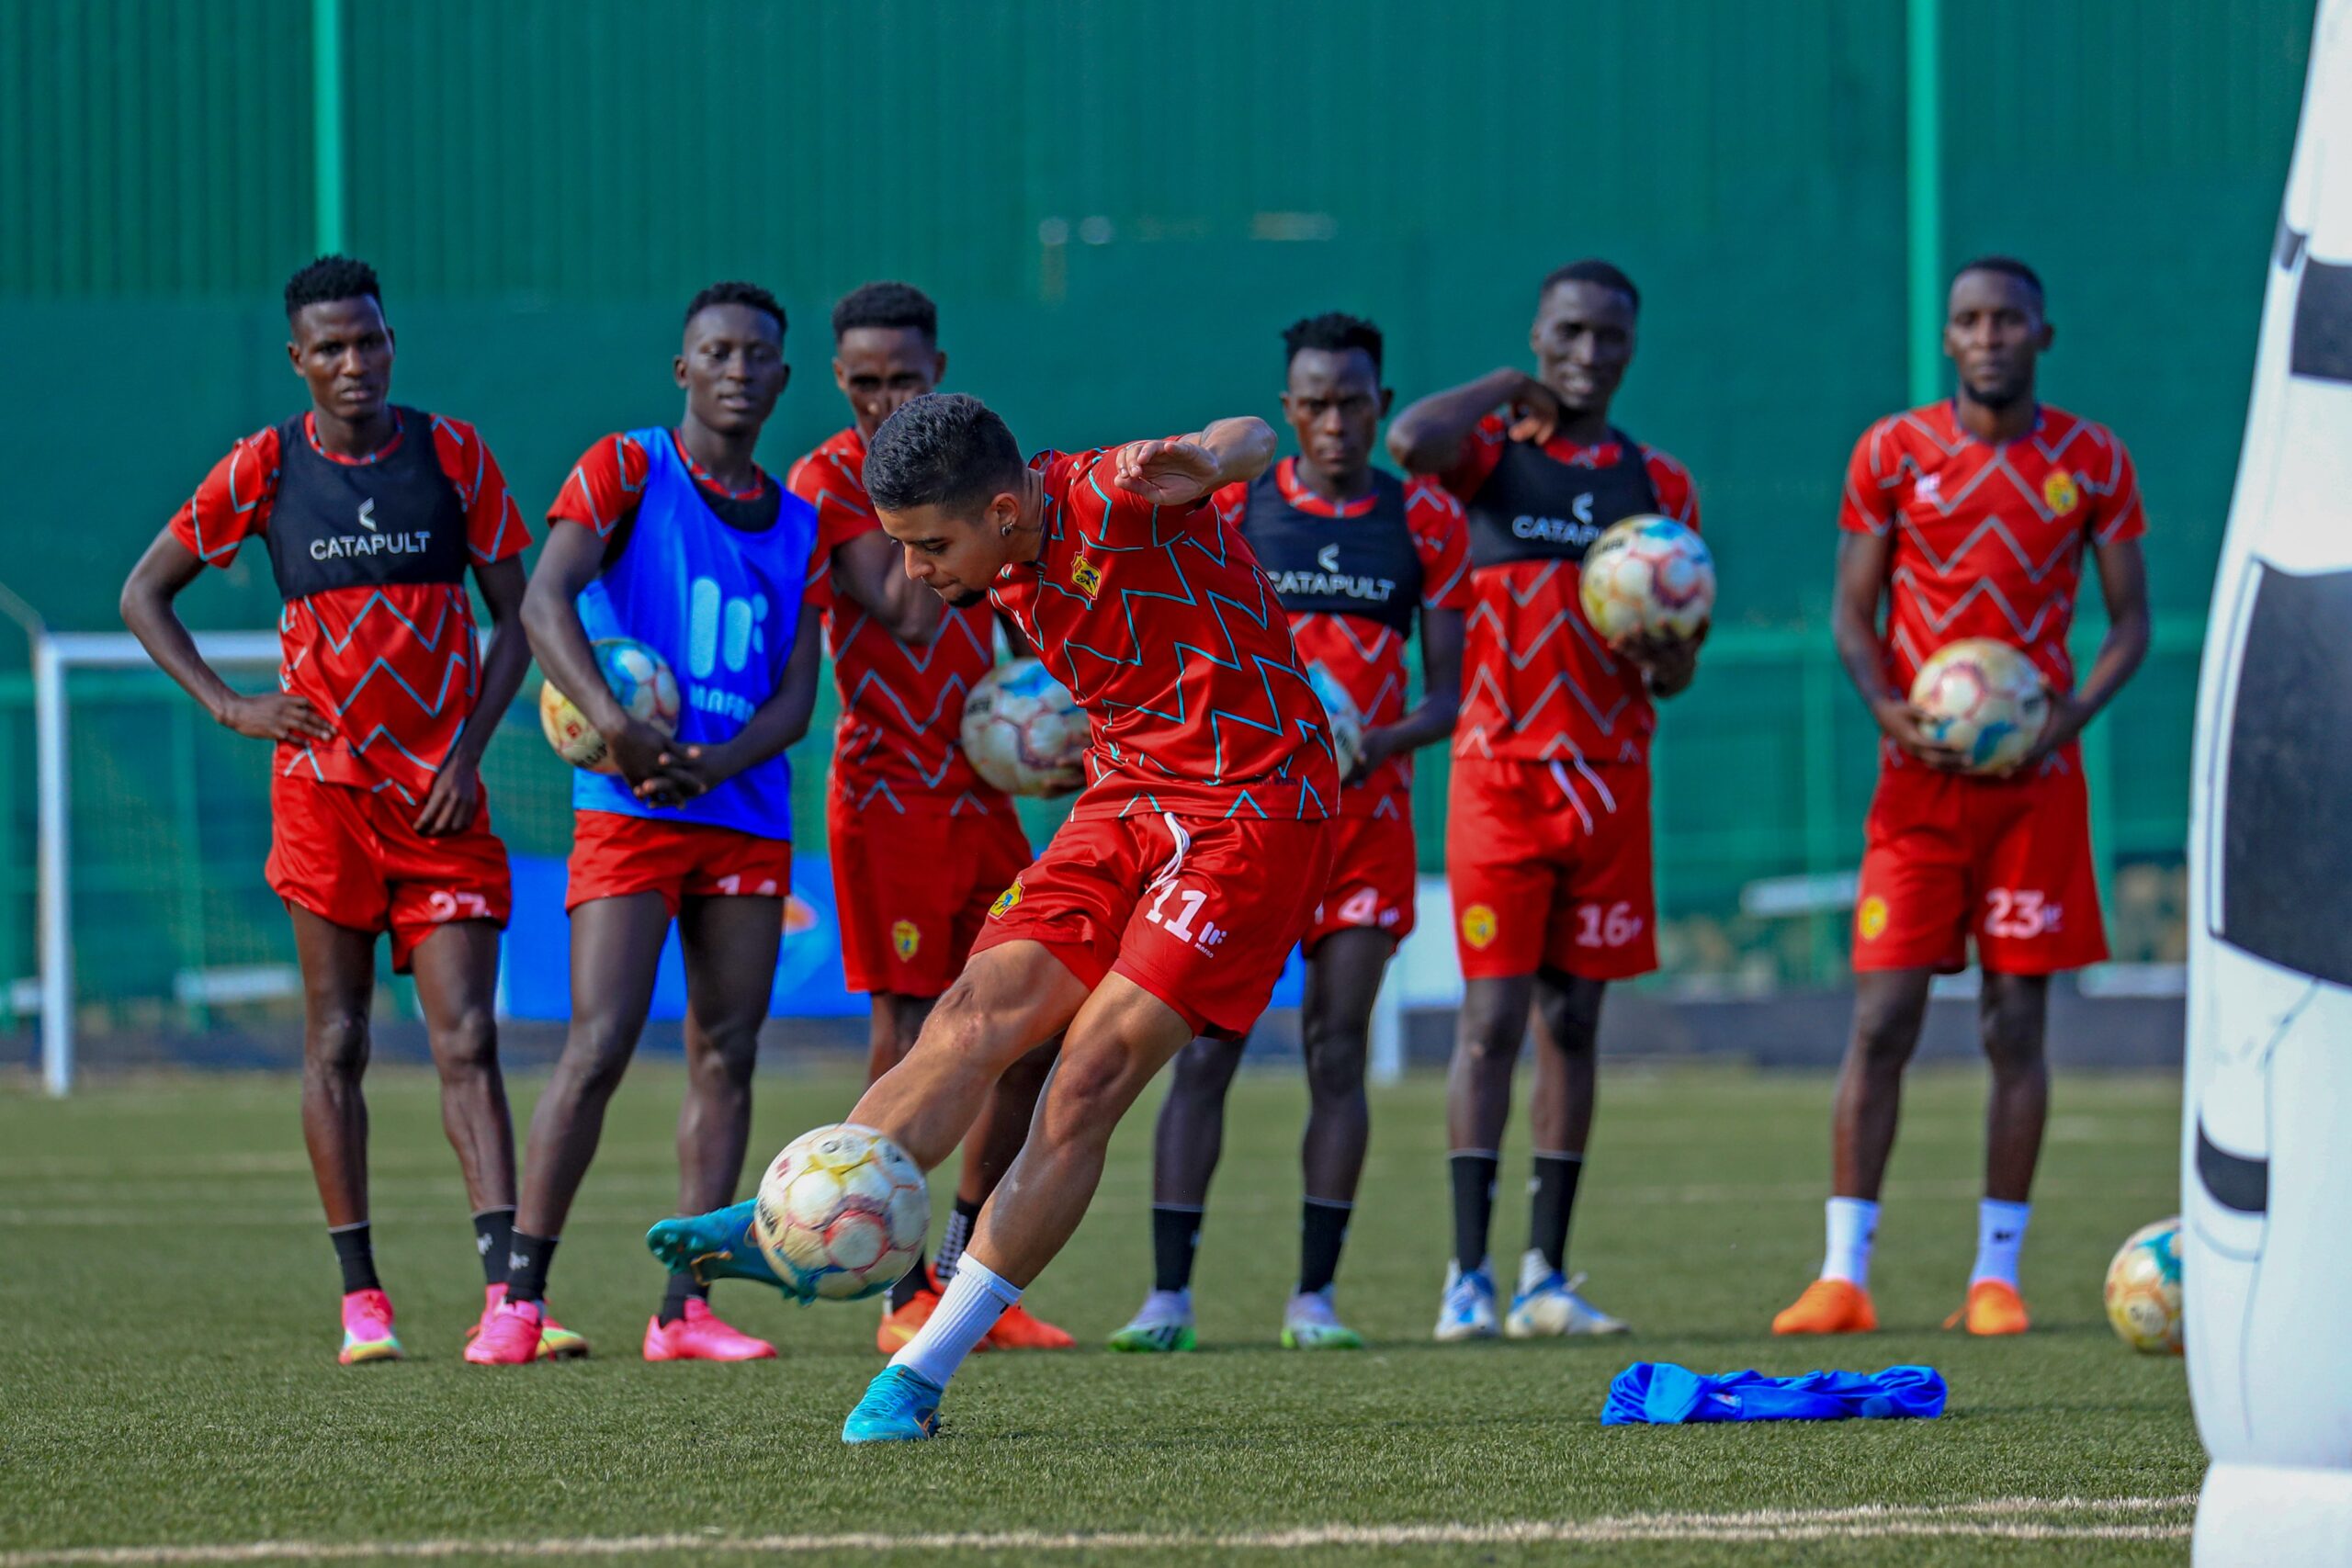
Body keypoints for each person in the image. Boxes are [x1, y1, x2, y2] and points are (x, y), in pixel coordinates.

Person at [648, 391, 1339, 1441]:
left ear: (1006, 511)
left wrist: (1202, 454)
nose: (915, 571)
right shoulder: (1007, 556)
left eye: (931, 545)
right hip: (1124, 796)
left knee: (1088, 1075)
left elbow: (1252, 439)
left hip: (1255, 811)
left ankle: (918, 1376)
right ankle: (784, 1221)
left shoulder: (1110, 495)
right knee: (971, 1016)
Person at [119, 255, 566, 1363]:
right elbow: (144, 592)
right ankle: (362, 1297)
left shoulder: (452, 453)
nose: (353, 362)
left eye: (368, 341)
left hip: (442, 798)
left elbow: (517, 616)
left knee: (468, 1038)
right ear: (298, 360)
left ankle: (509, 1298)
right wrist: (229, 706)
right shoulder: (265, 468)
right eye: (330, 348)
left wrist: (469, 750)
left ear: (390, 343)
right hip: (322, 799)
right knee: (339, 1038)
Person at [1771, 257, 2148, 1338]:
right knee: (1882, 1019)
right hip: (1916, 789)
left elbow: (2128, 620)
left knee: (2013, 1024)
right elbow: (1852, 611)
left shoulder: (2091, 461)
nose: (1988, 336)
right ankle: (1843, 1275)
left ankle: (1995, 1277)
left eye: (2008, 320)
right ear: (1947, 341)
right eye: (1969, 321)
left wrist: (2065, 718)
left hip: (2034, 788)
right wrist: (1887, 707)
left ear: (2042, 333)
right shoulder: (1892, 453)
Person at [467, 281, 825, 1364]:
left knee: (726, 1051)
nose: (736, 369)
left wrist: (715, 760)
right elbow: (542, 602)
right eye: (715, 351)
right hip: (627, 808)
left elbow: (797, 700)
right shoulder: (627, 466)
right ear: (684, 369)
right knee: (598, 1045)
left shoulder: (801, 522)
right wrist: (619, 730)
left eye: (757, 354)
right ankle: (517, 1301)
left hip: (745, 813)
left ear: (781, 377)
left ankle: (686, 1309)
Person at [1109, 312, 1466, 1353]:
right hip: (1241, 824)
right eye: (1312, 402)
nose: (1333, 420)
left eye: (1353, 400)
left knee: (1335, 1049)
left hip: (1362, 826)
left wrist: (1372, 736)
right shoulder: (1235, 508)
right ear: (1285, 409)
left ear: (1380, 405)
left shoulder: (1423, 523)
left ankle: (1314, 1298)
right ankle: (1166, 1297)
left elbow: (1448, 699)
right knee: (1201, 1050)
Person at [1386, 260, 1703, 1342]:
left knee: (1575, 1021)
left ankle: (1545, 1278)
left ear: (1631, 345)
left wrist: (1667, 653)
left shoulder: (1658, 484)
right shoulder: (1489, 458)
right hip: (1498, 778)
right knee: (1490, 1024)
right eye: (1568, 333)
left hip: (1610, 783)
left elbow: (1674, 671)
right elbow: (1409, 444)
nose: (1588, 354)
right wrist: (1499, 383)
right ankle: (1464, 1277)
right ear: (1539, 334)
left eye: (1610, 337)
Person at [787, 282, 1071, 1354]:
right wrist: (936, 506)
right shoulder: (827, 482)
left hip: (980, 794)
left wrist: (1042, 718)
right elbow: (912, 606)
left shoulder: (971, 480)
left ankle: (961, 1273)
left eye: (903, 380)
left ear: (936, 369)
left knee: (1031, 1031)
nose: (882, 399)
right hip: (886, 799)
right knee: (911, 1035)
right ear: (838, 381)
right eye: (863, 383)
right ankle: (898, 1284)